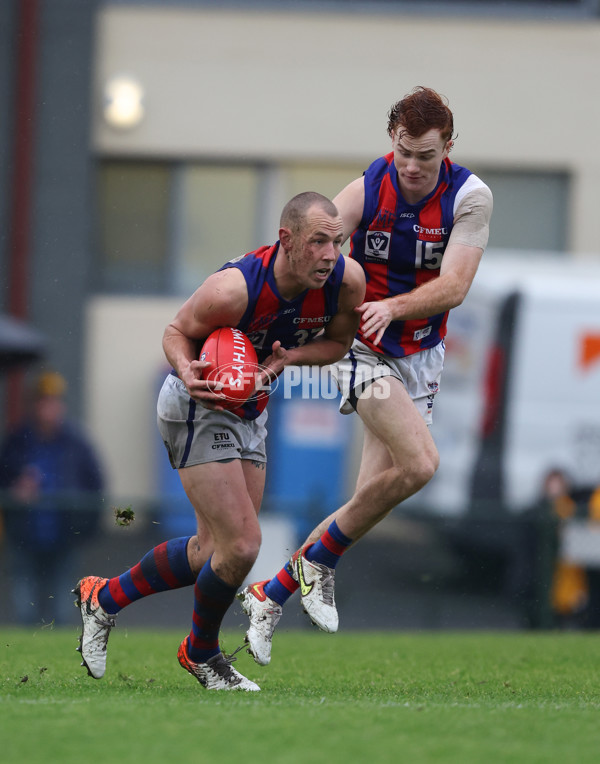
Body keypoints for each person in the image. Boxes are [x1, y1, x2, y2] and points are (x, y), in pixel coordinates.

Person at [238, 86, 494, 666]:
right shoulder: (366, 188)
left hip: (420, 353)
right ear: (393, 141)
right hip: (356, 346)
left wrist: (397, 308)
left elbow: (455, 286)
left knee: (372, 497)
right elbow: (306, 245)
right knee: (422, 464)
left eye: (425, 155)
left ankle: (270, 594)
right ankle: (317, 565)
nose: (411, 165)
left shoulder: (471, 198)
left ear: (448, 148)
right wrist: (251, 300)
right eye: (404, 150)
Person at [73, 192, 365, 692]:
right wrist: (187, 370)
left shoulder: (345, 281)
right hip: (197, 404)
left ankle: (104, 598)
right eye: (317, 241)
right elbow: (175, 331)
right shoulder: (234, 290)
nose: (328, 254)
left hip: (251, 410)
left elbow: (337, 344)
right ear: (287, 240)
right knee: (244, 544)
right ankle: (202, 654)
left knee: (217, 551)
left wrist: (284, 362)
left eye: (336, 242)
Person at [0, 371, 105, 625]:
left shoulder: (77, 442)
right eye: (44, 401)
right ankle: (26, 648)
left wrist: (85, 526)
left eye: (54, 401)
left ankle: (57, 647)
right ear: (34, 405)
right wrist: (16, 490)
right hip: (24, 533)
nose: (50, 408)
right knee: (26, 601)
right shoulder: (17, 440)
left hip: (64, 533)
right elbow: (4, 479)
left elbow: (95, 486)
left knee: (62, 603)